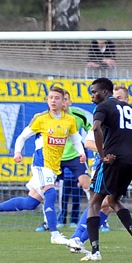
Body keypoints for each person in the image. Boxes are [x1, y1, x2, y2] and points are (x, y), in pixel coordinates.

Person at [0, 85, 86, 245]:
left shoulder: (69, 120)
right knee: (51, 194)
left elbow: (75, 138)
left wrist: (81, 152)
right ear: (47, 100)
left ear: (64, 101)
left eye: (57, 98)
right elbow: (22, 137)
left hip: (53, 167)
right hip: (41, 164)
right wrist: (17, 152)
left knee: (31, 203)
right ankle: (55, 234)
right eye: (51, 98)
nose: (53, 101)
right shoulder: (41, 119)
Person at [81, 78, 132, 262]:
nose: (92, 96)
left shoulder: (103, 107)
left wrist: (102, 155)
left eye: (95, 92)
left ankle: (95, 252)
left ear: (105, 92)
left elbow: (97, 128)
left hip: (112, 160)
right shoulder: (131, 109)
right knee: (113, 199)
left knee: (94, 202)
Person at [57, 89, 93, 228]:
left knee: (85, 186)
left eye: (66, 99)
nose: (63, 102)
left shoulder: (78, 115)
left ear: (69, 101)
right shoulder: (49, 117)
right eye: (62, 99)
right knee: (49, 190)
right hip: (57, 158)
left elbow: (92, 130)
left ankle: (95, 218)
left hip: (76, 157)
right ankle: (53, 221)